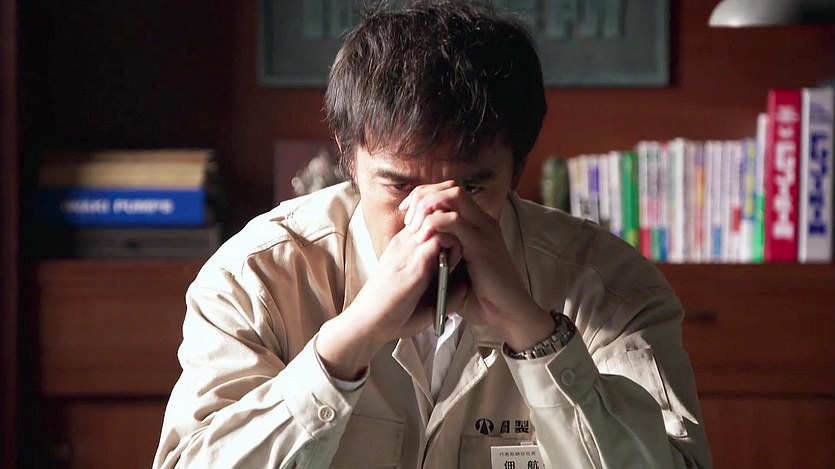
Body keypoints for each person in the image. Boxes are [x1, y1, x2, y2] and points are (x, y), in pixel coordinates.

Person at [153, 0, 711, 467]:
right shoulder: (255, 278)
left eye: (471, 188)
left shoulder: (610, 285)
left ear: (517, 169)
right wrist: (346, 346)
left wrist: (536, 335)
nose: (435, 219)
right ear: (348, 159)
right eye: (398, 186)